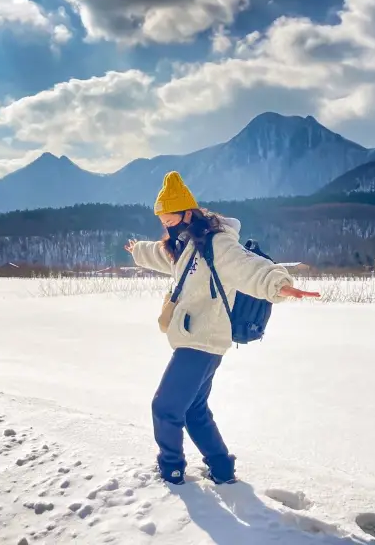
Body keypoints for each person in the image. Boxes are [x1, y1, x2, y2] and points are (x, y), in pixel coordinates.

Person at [125, 171, 318, 486]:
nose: (166, 224)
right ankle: (222, 469)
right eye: (161, 219)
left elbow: (247, 267)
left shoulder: (217, 243)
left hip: (203, 340)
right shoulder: (183, 244)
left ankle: (170, 470)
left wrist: (278, 284)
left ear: (188, 212)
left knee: (166, 406)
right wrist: (136, 250)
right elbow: (159, 254)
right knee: (194, 410)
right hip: (197, 338)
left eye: (169, 218)